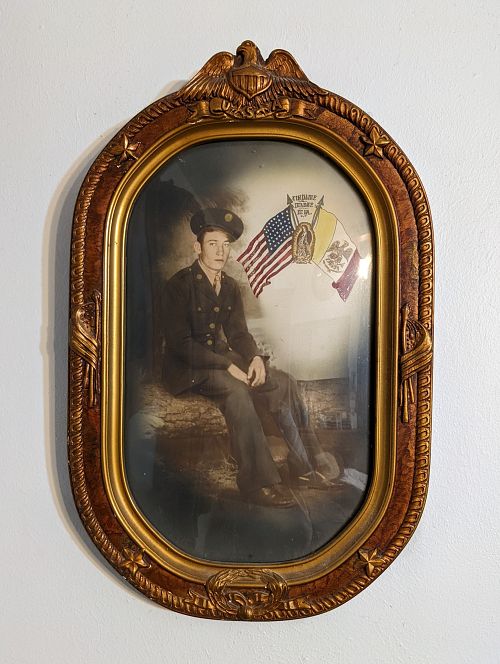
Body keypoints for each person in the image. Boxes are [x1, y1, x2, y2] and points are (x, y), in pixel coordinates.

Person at [162, 208, 326, 508]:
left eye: (225, 245)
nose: (220, 252)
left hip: (220, 358)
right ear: (197, 247)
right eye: (212, 244)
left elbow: (238, 334)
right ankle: (258, 484)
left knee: (284, 382)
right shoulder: (179, 285)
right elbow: (180, 344)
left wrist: (255, 359)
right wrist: (228, 365)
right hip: (187, 368)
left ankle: (306, 468)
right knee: (238, 391)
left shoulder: (230, 286)